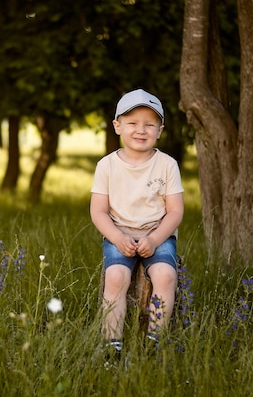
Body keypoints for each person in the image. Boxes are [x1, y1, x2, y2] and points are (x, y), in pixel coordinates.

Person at [90, 88, 184, 354]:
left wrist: (154, 239)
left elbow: (175, 211)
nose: (140, 130)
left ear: (160, 130)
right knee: (116, 278)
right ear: (117, 126)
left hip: (158, 233)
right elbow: (98, 211)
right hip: (118, 232)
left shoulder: (167, 164)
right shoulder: (107, 165)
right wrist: (118, 238)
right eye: (132, 123)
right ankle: (112, 345)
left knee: (165, 275)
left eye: (149, 124)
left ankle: (155, 343)